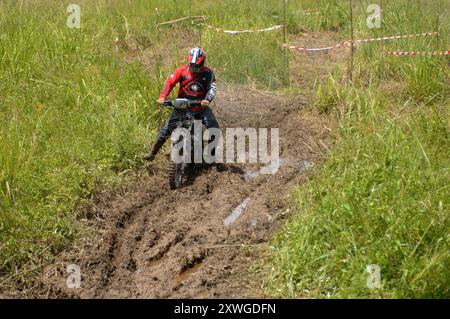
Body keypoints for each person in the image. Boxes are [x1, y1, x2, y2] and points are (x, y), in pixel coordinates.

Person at [143, 47, 219, 161]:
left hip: (201, 107)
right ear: (189, 62)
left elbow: (212, 88)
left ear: (203, 63)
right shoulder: (181, 71)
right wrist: (163, 97)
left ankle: (212, 158)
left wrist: (207, 100)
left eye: (198, 66)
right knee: (167, 128)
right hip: (182, 106)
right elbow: (170, 82)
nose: (195, 68)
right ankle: (152, 153)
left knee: (214, 128)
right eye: (193, 66)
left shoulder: (209, 73)